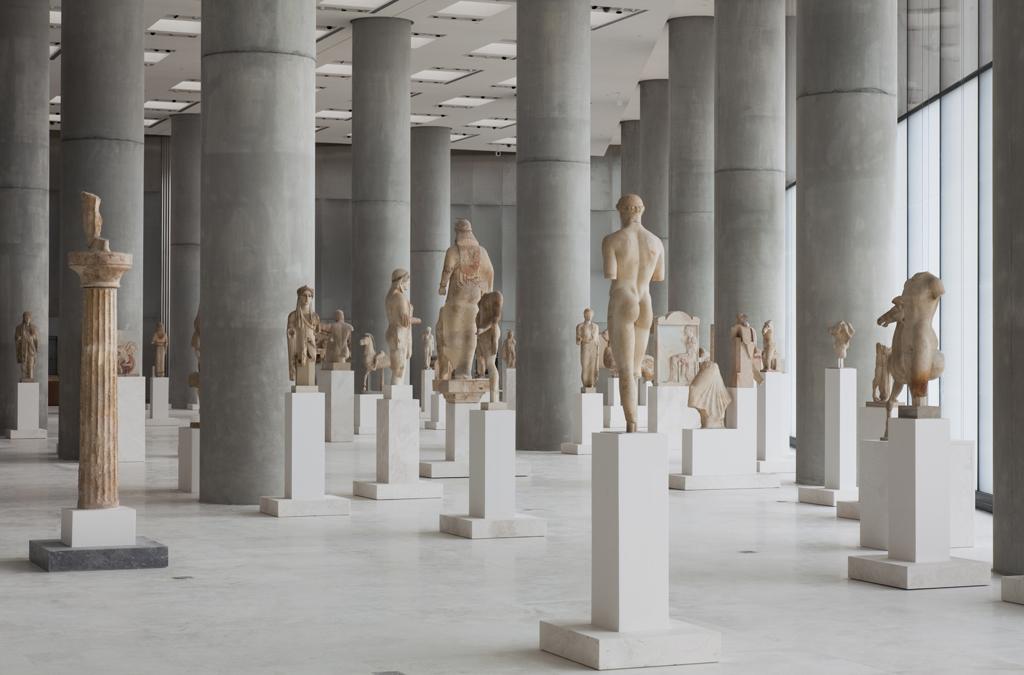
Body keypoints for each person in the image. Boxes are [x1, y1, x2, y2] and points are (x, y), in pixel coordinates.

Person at [601, 194, 665, 432]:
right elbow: (658, 276)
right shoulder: (656, 243)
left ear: (621, 211)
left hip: (623, 298)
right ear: (642, 210)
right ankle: (634, 423)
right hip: (645, 300)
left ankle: (632, 423)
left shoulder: (612, 240)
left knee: (626, 369)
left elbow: (611, 273)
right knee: (636, 370)